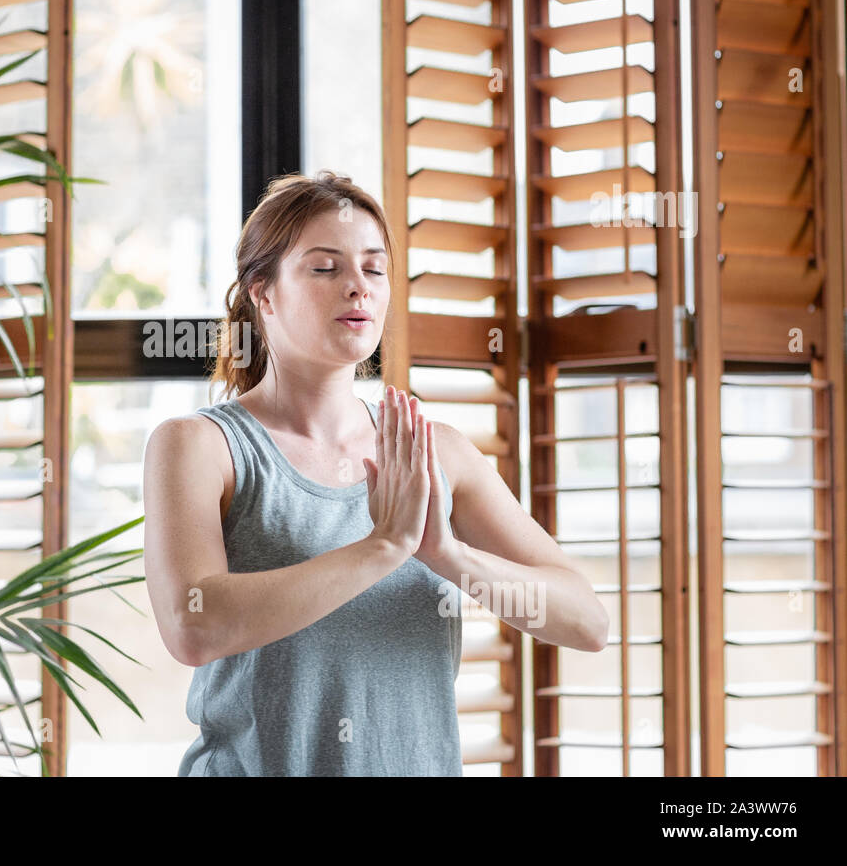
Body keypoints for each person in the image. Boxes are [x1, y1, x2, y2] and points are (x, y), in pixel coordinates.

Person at [142, 170, 608, 776]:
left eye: (373, 268)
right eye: (325, 268)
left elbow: (587, 621)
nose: (357, 288)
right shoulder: (199, 447)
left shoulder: (439, 454)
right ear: (263, 290)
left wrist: (446, 555)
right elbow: (193, 625)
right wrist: (385, 547)